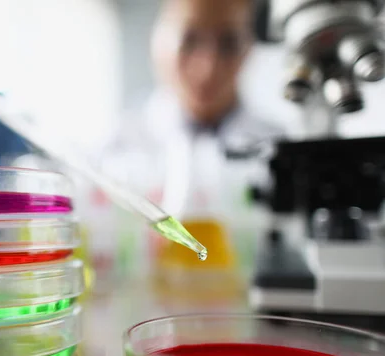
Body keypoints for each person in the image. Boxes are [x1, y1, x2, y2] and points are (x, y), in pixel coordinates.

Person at [99, 0, 284, 272]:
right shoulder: (112, 148)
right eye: (189, 40)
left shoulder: (280, 149)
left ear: (250, 47)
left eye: (229, 43)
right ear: (158, 40)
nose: (207, 67)